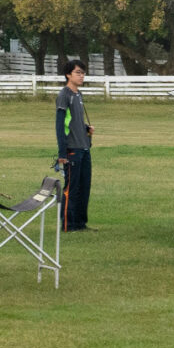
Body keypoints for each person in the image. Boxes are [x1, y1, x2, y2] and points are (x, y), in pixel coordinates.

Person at [56, 59, 94, 232]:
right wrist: (62, 152)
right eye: (78, 72)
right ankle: (67, 224)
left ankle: (80, 223)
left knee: (84, 187)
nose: (82, 76)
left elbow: (75, 121)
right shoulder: (64, 95)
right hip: (72, 150)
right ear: (68, 75)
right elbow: (60, 125)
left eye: (83, 73)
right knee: (71, 188)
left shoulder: (79, 95)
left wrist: (87, 129)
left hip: (84, 148)